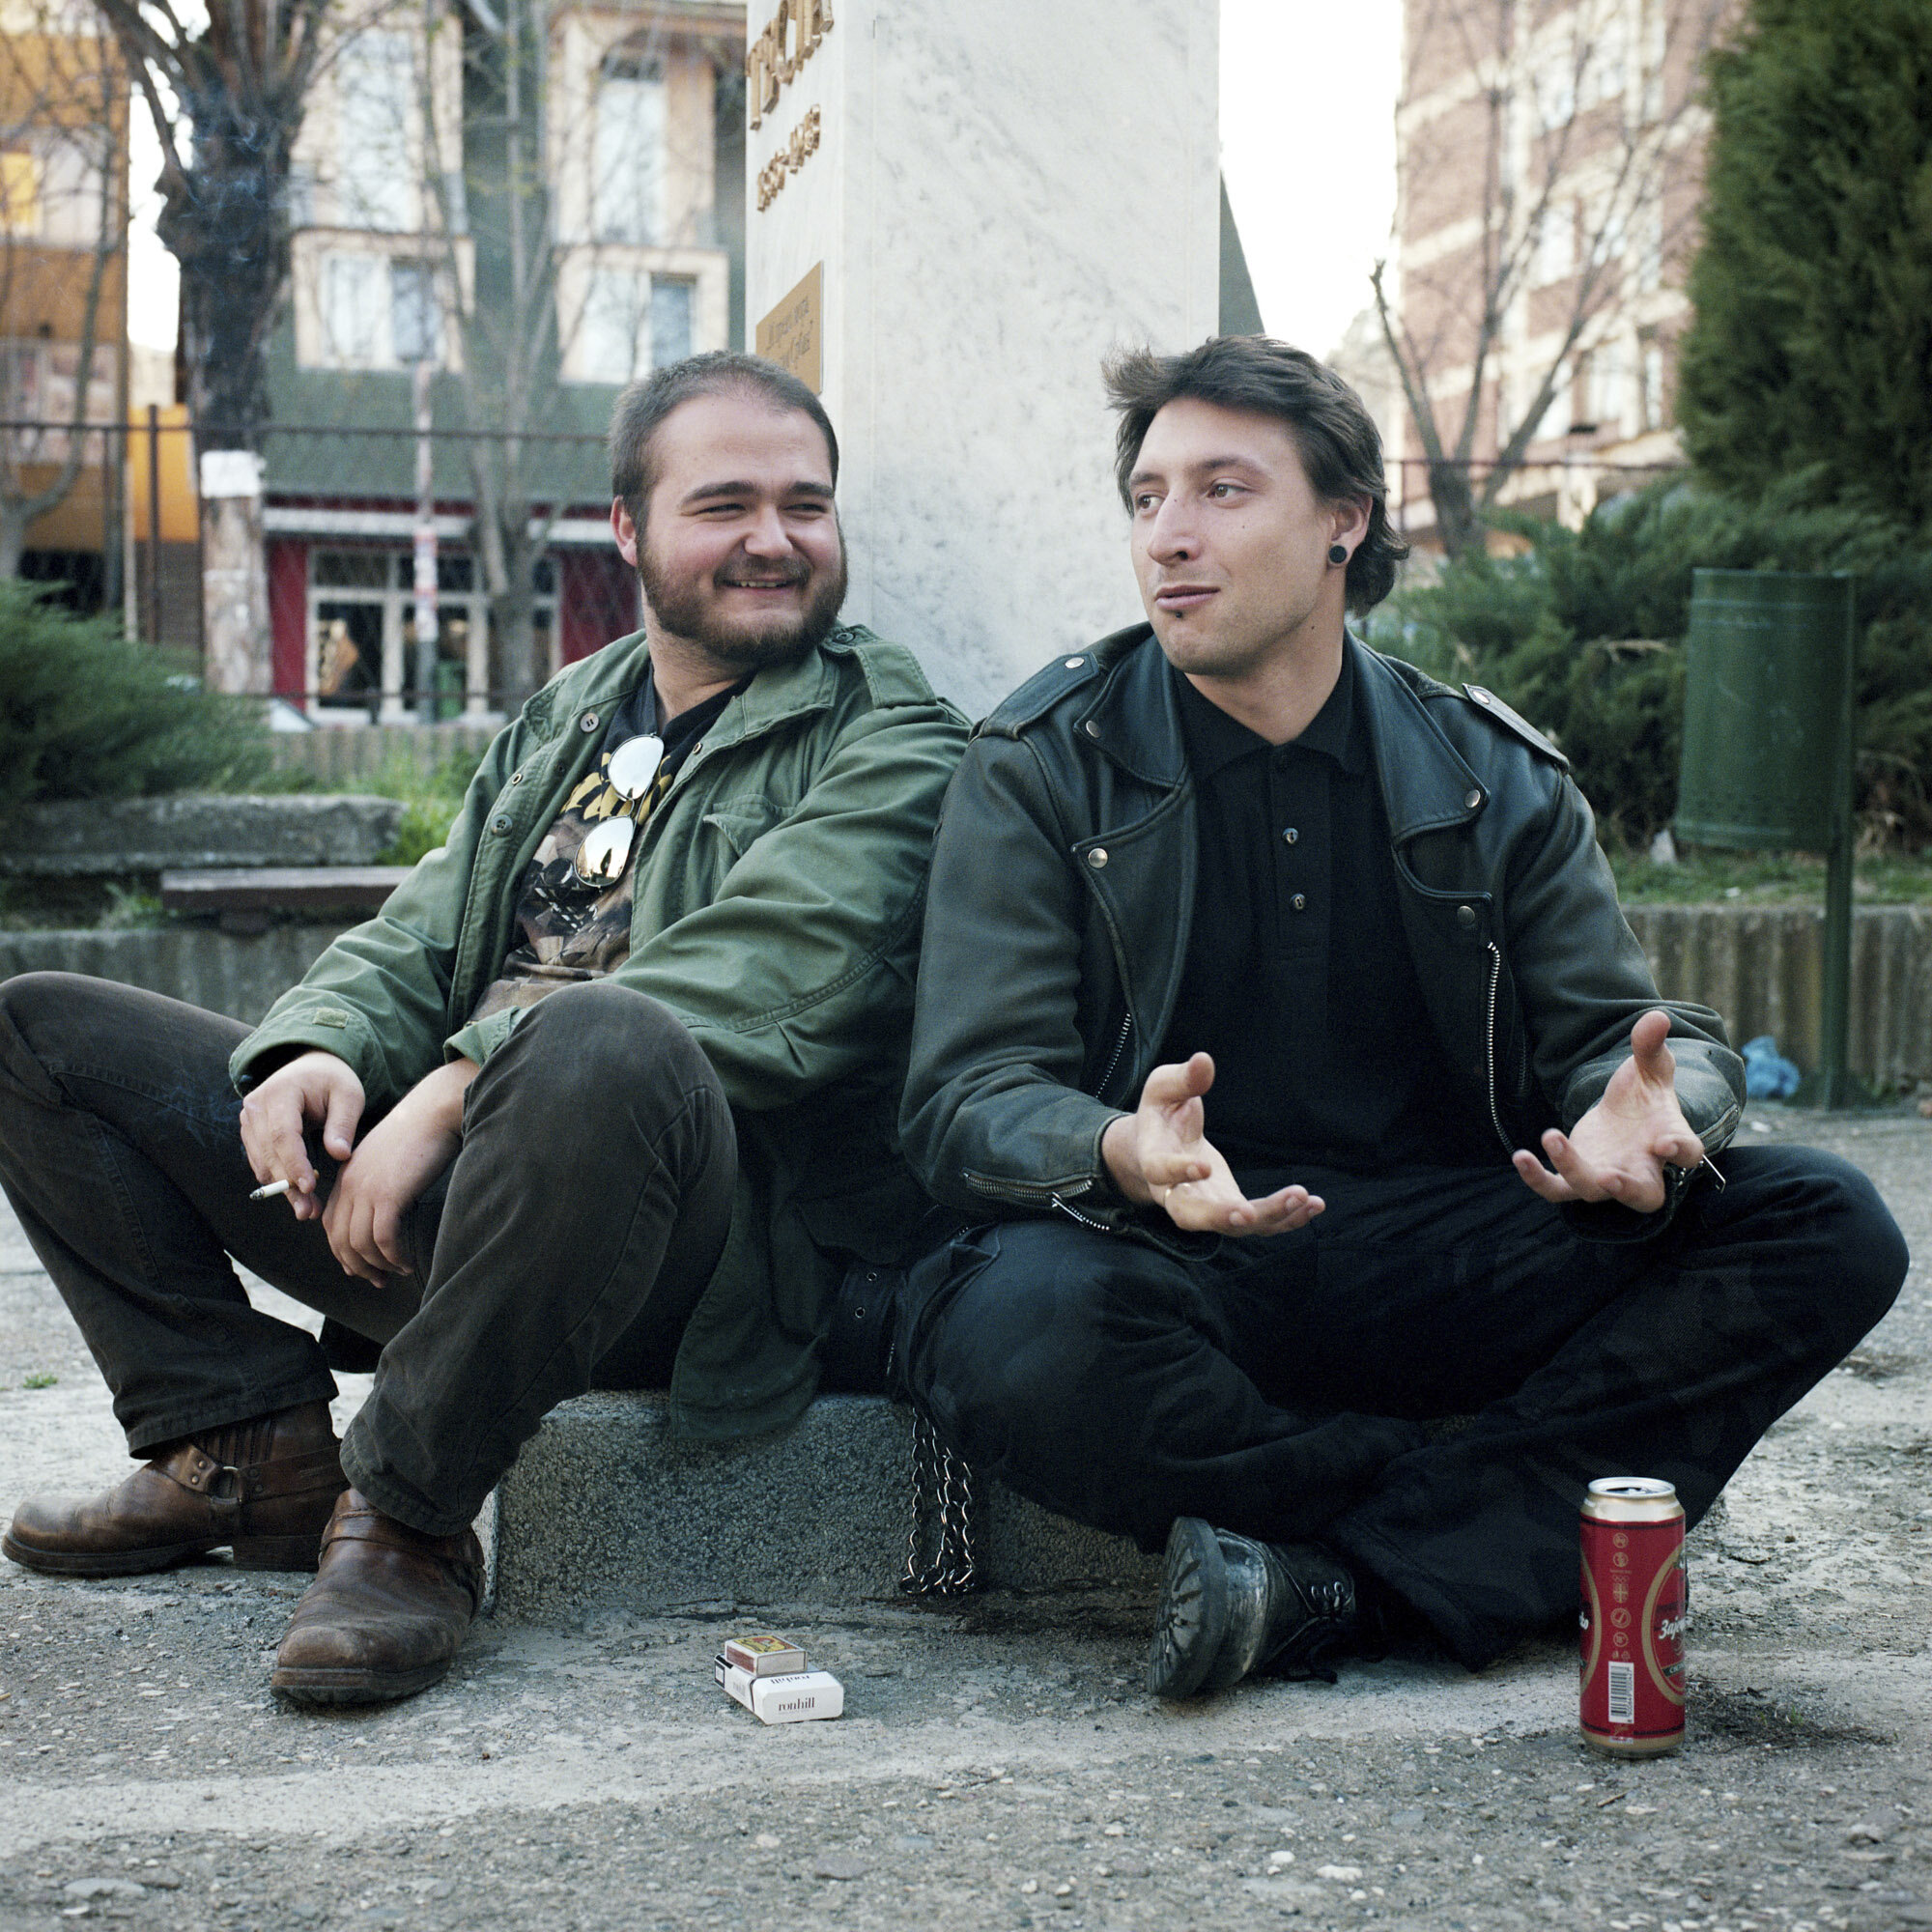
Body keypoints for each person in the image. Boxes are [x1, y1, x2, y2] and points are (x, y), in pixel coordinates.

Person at [895, 335, 1907, 1697]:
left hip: (1447, 1250)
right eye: (1147, 498)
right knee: (1007, 1326)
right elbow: (966, 1094)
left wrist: (1661, 1107)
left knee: (1826, 1224)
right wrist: (1120, 1152)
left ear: (1345, 521)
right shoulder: (1039, 769)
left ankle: (1334, 1583)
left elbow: (1637, 1045)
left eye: (1223, 491)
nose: (1170, 538)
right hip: (1176, 1264)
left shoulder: (1491, 773)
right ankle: (1488, 1526)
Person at [0, 352, 968, 1704]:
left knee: (604, 1037)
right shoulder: (570, 714)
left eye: (806, 504)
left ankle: (405, 1516)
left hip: (670, 1245)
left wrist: (451, 1088)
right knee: (43, 1036)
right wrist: (317, 1048)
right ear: (628, 530)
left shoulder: (897, 738)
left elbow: (773, 978)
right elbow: (417, 930)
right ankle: (242, 1449)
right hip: (443, 1202)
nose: (773, 539)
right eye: (726, 503)